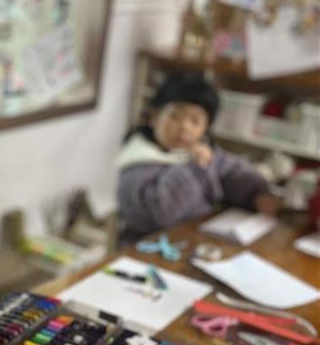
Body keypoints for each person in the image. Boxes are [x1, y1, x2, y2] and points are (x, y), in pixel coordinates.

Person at [116, 73, 280, 240]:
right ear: (153, 117)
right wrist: (194, 168)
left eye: (195, 121)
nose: (184, 127)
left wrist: (257, 193)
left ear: (205, 129)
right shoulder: (137, 160)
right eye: (175, 116)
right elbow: (160, 213)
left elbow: (231, 171)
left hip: (192, 238)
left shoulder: (199, 151)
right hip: (146, 247)